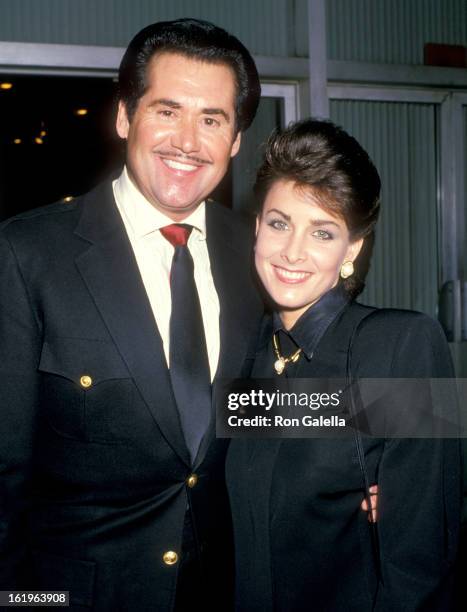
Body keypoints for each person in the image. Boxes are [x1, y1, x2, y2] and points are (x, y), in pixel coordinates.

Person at [0, 19, 264, 611]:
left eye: (212, 119)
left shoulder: (257, 252)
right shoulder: (27, 253)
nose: (188, 141)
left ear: (237, 138)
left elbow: (263, 406)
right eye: (167, 111)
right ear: (125, 117)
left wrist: (380, 448)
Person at [226, 119, 461, 611]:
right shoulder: (245, 350)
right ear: (257, 227)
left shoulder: (397, 346)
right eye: (279, 222)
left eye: (323, 232)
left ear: (352, 249)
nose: (292, 252)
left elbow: (421, 565)